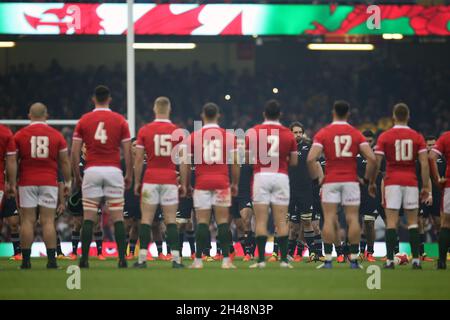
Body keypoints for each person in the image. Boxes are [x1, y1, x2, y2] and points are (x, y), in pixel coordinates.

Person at [307, 100, 377, 270]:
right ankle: (353, 260)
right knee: (352, 218)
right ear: (348, 114)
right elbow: (372, 159)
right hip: (351, 181)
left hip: (330, 180)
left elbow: (310, 159)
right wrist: (367, 180)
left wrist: (317, 180)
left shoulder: (324, 133)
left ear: (333, 112)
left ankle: (329, 260)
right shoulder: (355, 134)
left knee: (329, 218)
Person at [71, 85, 132, 268]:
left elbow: (74, 152)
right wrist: (128, 172)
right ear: (109, 99)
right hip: (113, 170)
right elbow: (127, 150)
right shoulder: (120, 120)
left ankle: (84, 259)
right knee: (118, 217)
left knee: (89, 216)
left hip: (92, 170)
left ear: (93, 99)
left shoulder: (84, 120)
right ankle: (122, 259)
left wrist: (76, 175)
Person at [181, 102, 239, 269]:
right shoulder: (228, 136)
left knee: (202, 222)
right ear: (218, 115)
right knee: (222, 221)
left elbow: (185, 162)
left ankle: (198, 260)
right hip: (222, 182)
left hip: (202, 183)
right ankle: (226, 260)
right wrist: (234, 183)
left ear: (202, 115)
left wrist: (185, 184)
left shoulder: (193, 136)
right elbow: (235, 162)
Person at [14, 102, 72, 269]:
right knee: (47, 221)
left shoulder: (20, 135)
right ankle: (52, 261)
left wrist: (12, 181)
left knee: (27, 221)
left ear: (29, 116)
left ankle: (25, 262)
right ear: (46, 116)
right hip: (49, 182)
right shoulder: (56, 135)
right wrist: (67, 182)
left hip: (27, 182)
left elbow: (13, 161)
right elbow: (65, 162)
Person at [375, 103, 430, 269]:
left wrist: (371, 181)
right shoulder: (417, 137)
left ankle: (390, 260)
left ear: (393, 117)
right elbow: (424, 163)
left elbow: (377, 161)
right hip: (411, 181)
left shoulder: (385, 136)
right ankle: (416, 261)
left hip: (392, 181)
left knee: (391, 222)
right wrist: (426, 186)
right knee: (413, 222)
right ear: (408, 116)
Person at [246, 99, 298, 269]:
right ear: (280, 115)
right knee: (281, 221)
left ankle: (260, 260)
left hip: (261, 176)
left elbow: (246, 159)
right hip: (280, 176)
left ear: (264, 114)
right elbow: (295, 162)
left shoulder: (254, 132)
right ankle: (283, 261)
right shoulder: (288, 134)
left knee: (260, 220)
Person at [133, 97, 185, 268]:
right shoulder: (177, 131)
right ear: (169, 109)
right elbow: (184, 160)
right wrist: (183, 183)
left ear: (154, 109)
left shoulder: (145, 130)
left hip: (150, 179)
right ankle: (176, 260)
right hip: (170, 179)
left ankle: (142, 260)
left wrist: (137, 181)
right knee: (170, 220)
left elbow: (139, 160)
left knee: (146, 220)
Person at [288, 121, 324, 263]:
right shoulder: (285, 149)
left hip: (306, 191)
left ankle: (314, 253)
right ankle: (288, 254)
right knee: (293, 227)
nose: (297, 135)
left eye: (299, 132)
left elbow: (316, 165)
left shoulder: (308, 148)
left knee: (308, 222)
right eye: (295, 132)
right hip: (290, 191)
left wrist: (318, 184)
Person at [357, 130, 379, 262]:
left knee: (369, 223)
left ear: (374, 141)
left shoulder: (377, 156)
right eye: (365, 141)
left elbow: (382, 173)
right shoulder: (355, 156)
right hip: (356, 194)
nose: (368, 143)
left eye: (370, 141)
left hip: (372, 193)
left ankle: (370, 252)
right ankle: (358, 251)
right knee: (356, 223)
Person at [429, 130, 450, 269]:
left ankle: (442, 262)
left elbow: (431, 157)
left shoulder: (446, 137)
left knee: (446, 223)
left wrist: (437, 179)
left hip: (449, 184)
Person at [0, 124, 19, 261]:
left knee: (13, 222)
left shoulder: (13, 156)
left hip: (8, 189)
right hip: (3, 185)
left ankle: (17, 251)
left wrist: (12, 184)